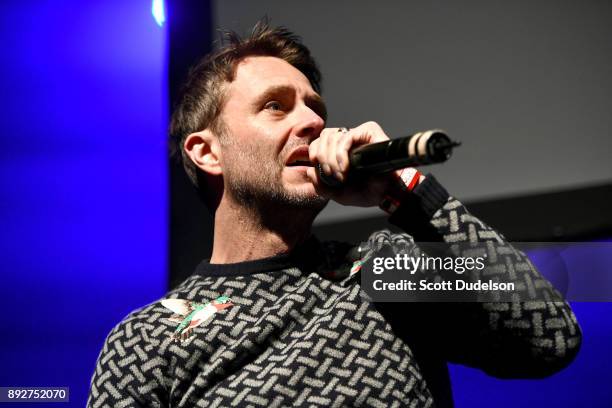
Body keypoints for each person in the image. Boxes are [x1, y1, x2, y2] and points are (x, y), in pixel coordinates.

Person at [87, 21, 581, 408]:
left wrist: (407, 192)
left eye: (314, 107)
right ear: (207, 152)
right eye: (276, 107)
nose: (314, 122)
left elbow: (549, 335)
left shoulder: (382, 269)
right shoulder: (149, 339)